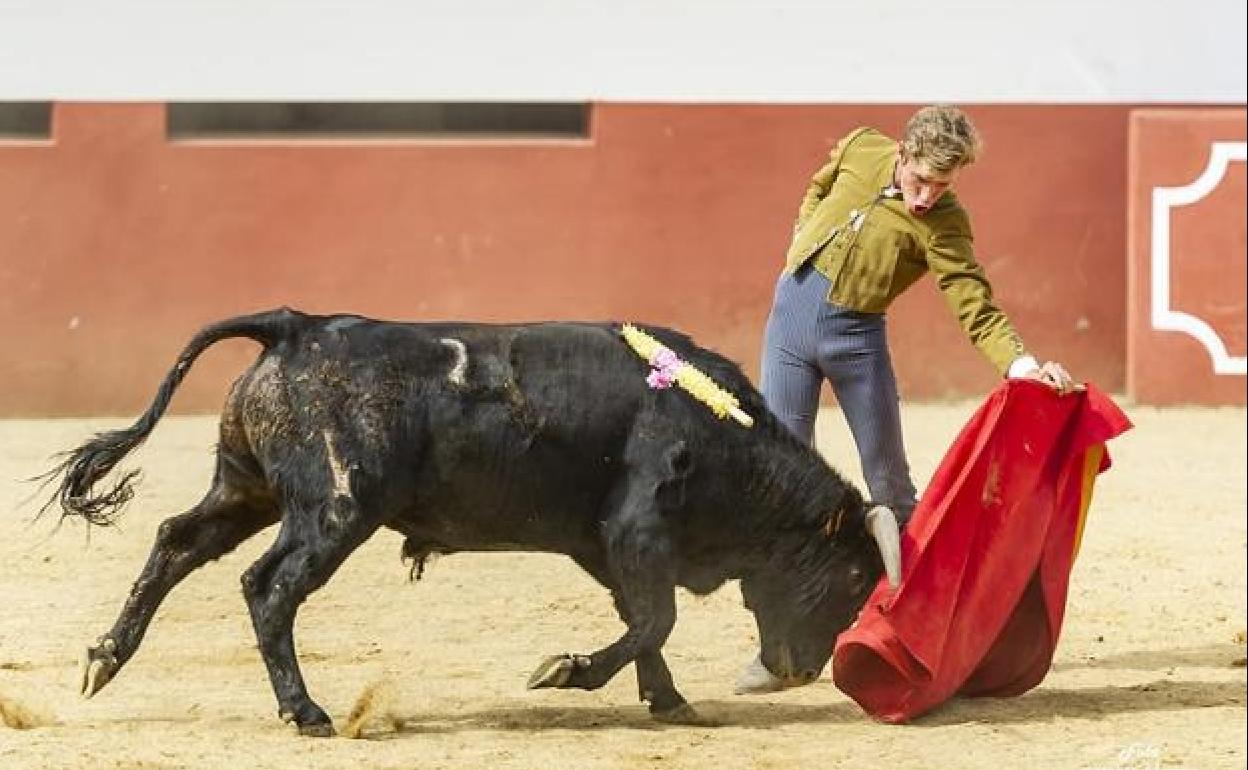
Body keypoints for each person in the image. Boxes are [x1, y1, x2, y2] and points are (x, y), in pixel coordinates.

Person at [734, 105, 1075, 694]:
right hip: (786, 330)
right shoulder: (861, 147)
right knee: (779, 488)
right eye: (921, 180)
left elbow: (972, 299)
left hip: (857, 343)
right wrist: (800, 241)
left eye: (942, 186)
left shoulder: (945, 221)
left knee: (891, 489)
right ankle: (781, 652)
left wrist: (1022, 366)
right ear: (903, 152)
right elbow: (820, 183)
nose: (926, 198)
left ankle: (923, 637)